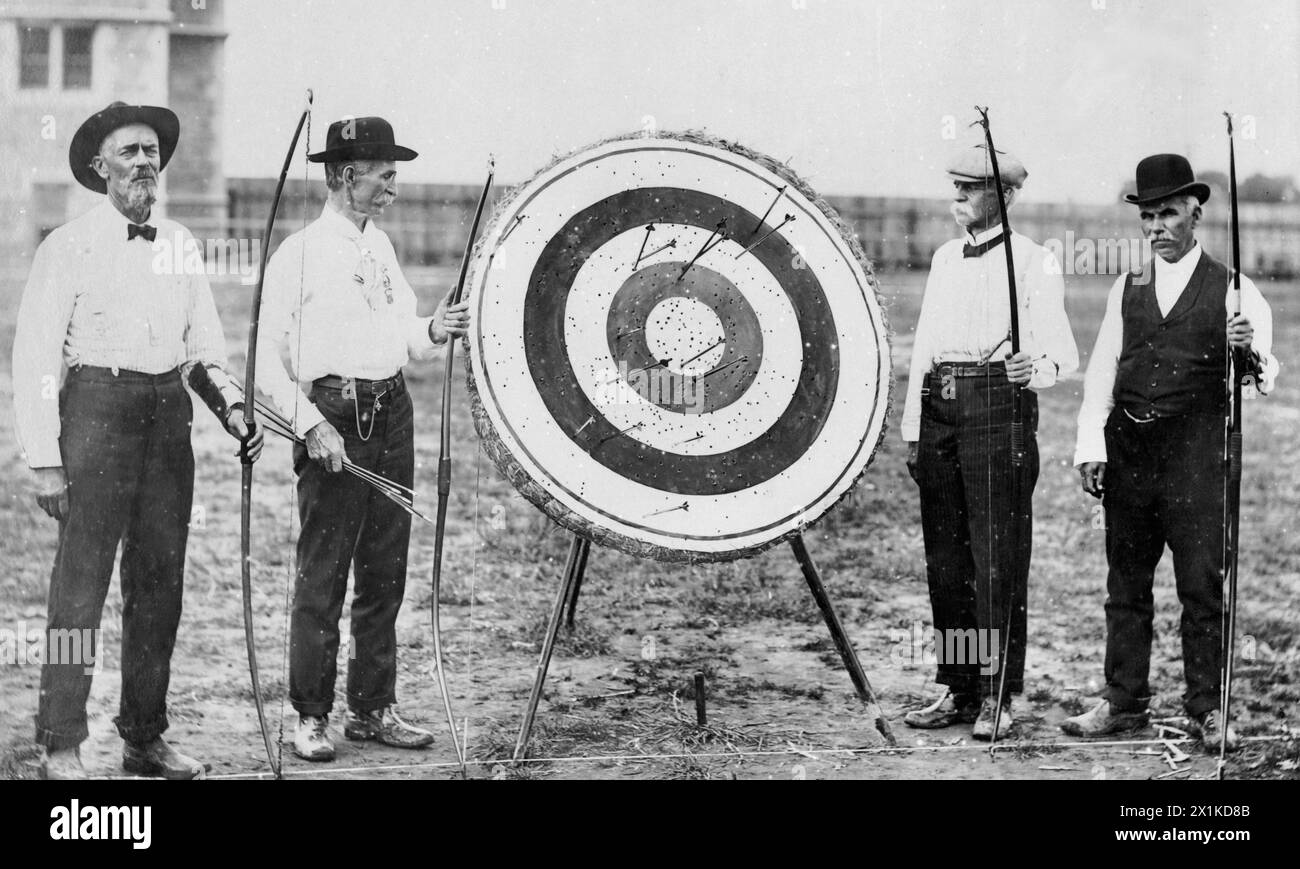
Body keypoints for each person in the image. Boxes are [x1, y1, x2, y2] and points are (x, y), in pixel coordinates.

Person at [12, 102, 264, 780]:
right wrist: (43, 460)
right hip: (94, 414)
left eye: (152, 150)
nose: (145, 161)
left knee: (160, 585)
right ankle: (61, 740)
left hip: (166, 419)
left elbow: (202, 346)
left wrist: (234, 410)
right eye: (129, 151)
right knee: (79, 589)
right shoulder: (66, 246)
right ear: (100, 167)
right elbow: (35, 359)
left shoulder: (180, 244)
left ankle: (144, 737)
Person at [255, 115, 470, 761]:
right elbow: (265, 361)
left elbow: (402, 332)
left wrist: (436, 327)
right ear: (347, 176)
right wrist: (312, 424)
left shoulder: (381, 247)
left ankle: (373, 708)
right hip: (334, 421)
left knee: (385, 573)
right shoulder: (298, 253)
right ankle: (311, 715)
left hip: (392, 413)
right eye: (384, 174)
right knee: (323, 575)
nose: (394, 187)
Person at [1063, 154, 1279, 751]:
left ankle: (1207, 708)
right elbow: (1104, 368)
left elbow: (1265, 378)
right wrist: (1091, 444)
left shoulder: (1236, 289)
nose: (1157, 227)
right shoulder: (1125, 286)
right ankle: (1123, 701)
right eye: (1148, 216)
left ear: (1196, 215)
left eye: (1169, 215)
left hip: (1196, 457)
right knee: (1125, 585)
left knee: (1201, 589)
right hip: (1130, 451)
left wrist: (1246, 348)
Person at [901, 143, 1078, 738]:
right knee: (947, 561)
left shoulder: (1032, 261)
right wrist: (912, 429)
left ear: (1004, 196)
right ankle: (957, 686)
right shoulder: (946, 259)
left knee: (996, 557)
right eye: (954, 186)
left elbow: (1063, 353)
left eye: (969, 188)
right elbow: (925, 345)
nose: (956, 198)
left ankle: (998, 693)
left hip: (997, 408)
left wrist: (1038, 368)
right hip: (939, 409)